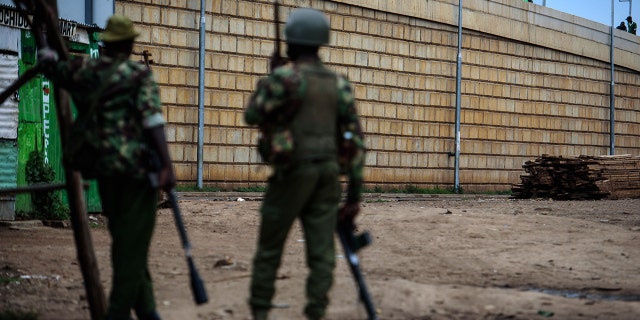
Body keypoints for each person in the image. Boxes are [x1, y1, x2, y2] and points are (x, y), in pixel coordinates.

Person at [39, 14, 175, 320]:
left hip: (105, 172)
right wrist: (167, 165)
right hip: (137, 174)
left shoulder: (85, 70)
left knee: (126, 244)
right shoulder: (137, 75)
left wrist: (43, 38)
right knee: (131, 250)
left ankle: (149, 311)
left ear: (107, 43)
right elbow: (153, 122)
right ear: (128, 45)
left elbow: (49, 65)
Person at [244, 7, 365, 320]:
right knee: (322, 253)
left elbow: (253, 115)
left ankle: (260, 312)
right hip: (327, 174)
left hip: (292, 172)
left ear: (291, 42)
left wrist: (271, 77)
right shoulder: (338, 84)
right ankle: (316, 312)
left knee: (270, 249)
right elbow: (356, 143)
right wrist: (353, 196)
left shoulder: (284, 79)